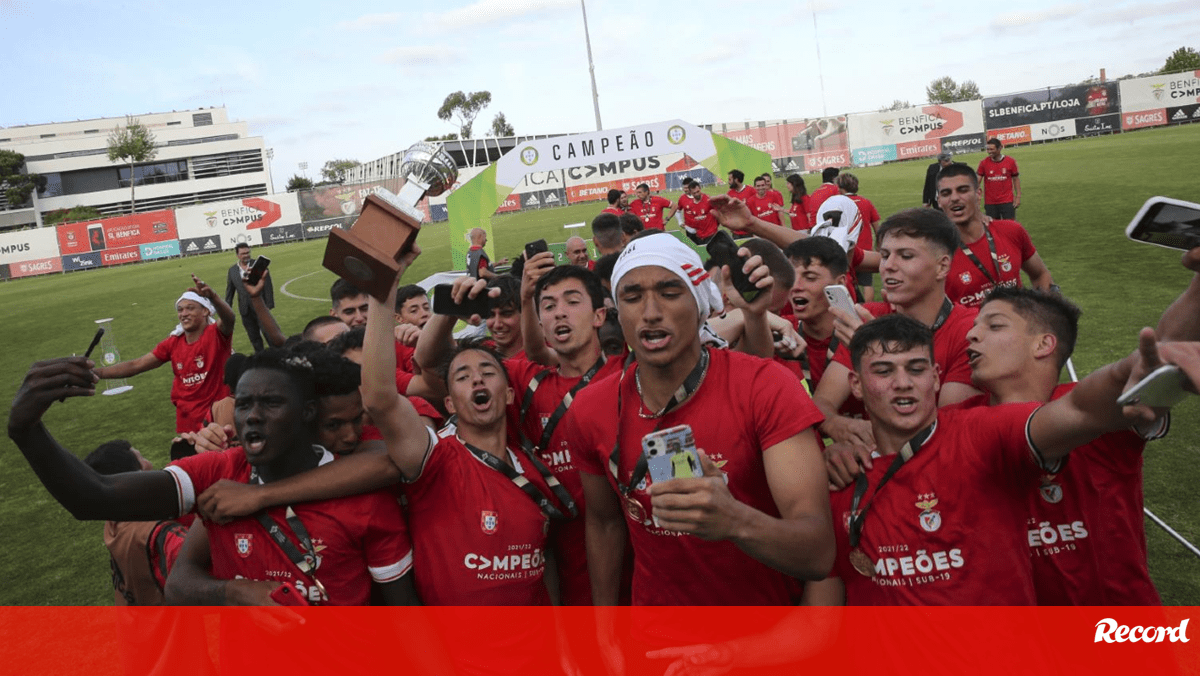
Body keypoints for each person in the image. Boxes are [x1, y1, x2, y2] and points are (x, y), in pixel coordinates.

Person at [809, 313, 1198, 605]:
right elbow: (823, 622)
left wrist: (1125, 374)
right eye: (883, 371)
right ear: (856, 385)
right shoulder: (841, 479)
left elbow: (1081, 409)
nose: (903, 382)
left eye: (915, 369)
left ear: (937, 377)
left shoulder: (982, 433)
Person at [564, 233, 834, 646]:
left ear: (700, 302)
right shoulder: (590, 409)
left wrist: (734, 520)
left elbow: (817, 552)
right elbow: (603, 523)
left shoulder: (766, 386)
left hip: (765, 643)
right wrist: (606, 632)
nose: (650, 312)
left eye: (670, 292)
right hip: (661, 646)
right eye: (633, 296)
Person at [7, 349, 419, 607]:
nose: (252, 415)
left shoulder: (362, 490)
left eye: (272, 402)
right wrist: (26, 431)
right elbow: (96, 497)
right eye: (243, 403)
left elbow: (402, 614)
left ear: (308, 413)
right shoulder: (219, 472)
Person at [957, 286, 1167, 604]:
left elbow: (1163, 359)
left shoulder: (1096, 406)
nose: (972, 335)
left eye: (994, 325)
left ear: (1044, 344)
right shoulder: (954, 424)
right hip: (1016, 642)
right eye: (974, 326)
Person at [812, 208, 980, 447]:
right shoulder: (870, 316)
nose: (887, 266)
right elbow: (822, 404)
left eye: (906, 256)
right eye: (884, 255)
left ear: (942, 267)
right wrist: (839, 428)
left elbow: (943, 434)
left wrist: (874, 350)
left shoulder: (969, 332)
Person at [94, 274, 235, 433]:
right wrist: (96, 373)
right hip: (187, 425)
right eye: (180, 309)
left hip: (217, 423)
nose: (184, 313)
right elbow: (136, 365)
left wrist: (213, 297)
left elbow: (229, 318)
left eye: (190, 308)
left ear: (205, 312)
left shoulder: (216, 335)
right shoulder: (173, 343)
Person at [84, 440, 187, 606]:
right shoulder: (161, 536)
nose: (150, 464)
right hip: (174, 631)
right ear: (132, 479)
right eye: (142, 460)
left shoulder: (113, 519)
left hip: (133, 628)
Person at [937, 162, 1054, 307]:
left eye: (962, 190)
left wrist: (1046, 317)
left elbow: (1040, 275)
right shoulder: (935, 253)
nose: (954, 198)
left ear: (978, 194)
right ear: (939, 201)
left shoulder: (1011, 230)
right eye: (946, 193)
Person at [837, 172, 882, 301]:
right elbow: (877, 227)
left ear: (841, 187)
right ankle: (868, 309)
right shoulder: (866, 202)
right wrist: (878, 247)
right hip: (866, 250)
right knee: (867, 283)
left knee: (846, 281)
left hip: (847, 249)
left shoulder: (840, 203)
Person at [223, 243, 274, 353]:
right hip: (245, 310)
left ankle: (276, 357)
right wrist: (226, 310)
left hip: (261, 307)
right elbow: (230, 292)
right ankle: (261, 360)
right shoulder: (232, 271)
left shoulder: (259, 265)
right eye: (243, 253)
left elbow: (268, 286)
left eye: (247, 252)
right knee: (254, 337)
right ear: (237, 255)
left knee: (269, 335)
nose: (246, 255)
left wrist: (269, 305)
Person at [977, 137, 1021, 219]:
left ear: (1000, 148)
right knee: (993, 229)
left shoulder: (1010, 161)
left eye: (992, 149)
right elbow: (977, 181)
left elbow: (1016, 179)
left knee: (1009, 227)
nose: (989, 152)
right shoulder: (983, 163)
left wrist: (1018, 197)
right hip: (990, 203)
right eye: (988, 149)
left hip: (1007, 201)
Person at [665, 178, 718, 244]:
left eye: (687, 188)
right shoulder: (682, 198)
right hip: (691, 230)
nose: (685, 190)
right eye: (684, 188)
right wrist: (680, 222)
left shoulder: (707, 199)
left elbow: (717, 212)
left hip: (707, 232)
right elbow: (678, 210)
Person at [485, 274, 526, 360]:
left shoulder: (543, 357)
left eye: (506, 314)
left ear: (525, 314)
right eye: (490, 314)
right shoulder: (481, 350)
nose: (497, 324)